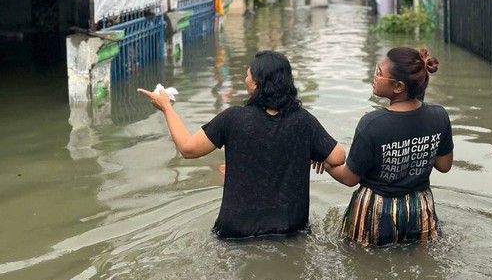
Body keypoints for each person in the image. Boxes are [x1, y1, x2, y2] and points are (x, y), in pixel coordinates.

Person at [138, 50, 345, 239]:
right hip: (290, 231)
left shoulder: (232, 119)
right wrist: (318, 155)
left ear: (256, 84)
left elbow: (187, 148)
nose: (245, 79)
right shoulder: (304, 122)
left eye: (247, 75)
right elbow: (338, 157)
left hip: (235, 233)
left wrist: (166, 108)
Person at [320, 46, 453, 247]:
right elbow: (444, 166)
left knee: (364, 265)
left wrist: (327, 163)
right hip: (420, 208)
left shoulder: (372, 124)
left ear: (399, 86)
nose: (374, 77)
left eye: (379, 73)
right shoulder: (439, 115)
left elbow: (350, 178)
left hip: (376, 211)